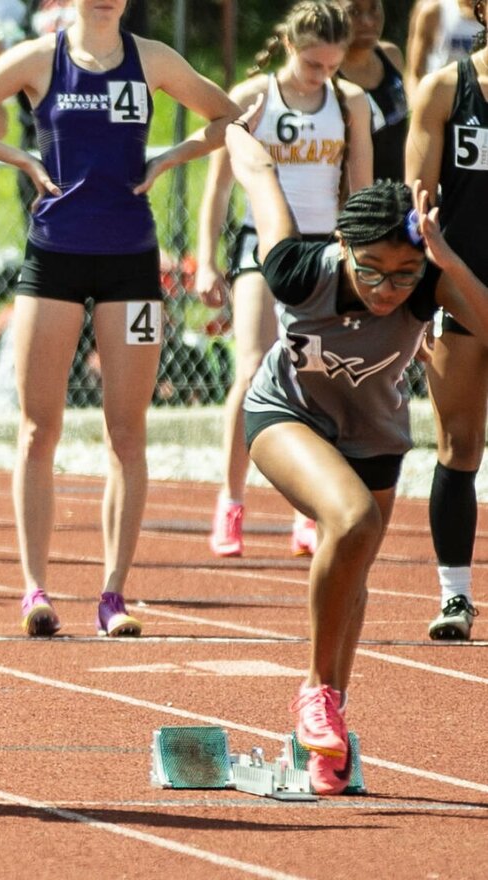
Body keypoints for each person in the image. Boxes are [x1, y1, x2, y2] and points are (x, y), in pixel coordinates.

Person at [0, 0, 238, 637]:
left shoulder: (151, 59)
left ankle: (113, 595)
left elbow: (230, 118)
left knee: (127, 433)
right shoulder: (42, 58)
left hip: (130, 264)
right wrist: (19, 158)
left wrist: (170, 157)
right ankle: (34, 589)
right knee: (39, 430)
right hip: (54, 261)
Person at [225, 96, 488, 794]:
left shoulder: (427, 281)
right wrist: (231, 123)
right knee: (350, 520)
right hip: (288, 413)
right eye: (371, 269)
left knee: (353, 575)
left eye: (402, 276)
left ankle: (329, 730)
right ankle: (313, 691)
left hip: (373, 433)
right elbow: (260, 175)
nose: (386, 289)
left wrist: (443, 258)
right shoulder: (298, 268)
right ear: (343, 247)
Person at [197, 1, 372, 560]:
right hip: (262, 245)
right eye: (312, 65)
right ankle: (231, 499)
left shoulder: (351, 104)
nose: (322, 75)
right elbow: (218, 187)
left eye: (331, 66)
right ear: (291, 47)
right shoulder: (254, 96)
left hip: (325, 249)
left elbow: (360, 187)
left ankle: (309, 508)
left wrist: (359, 258)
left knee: (319, 377)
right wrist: (205, 259)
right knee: (250, 368)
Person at [405, 2, 487, 641]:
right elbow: (417, 209)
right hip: (459, 293)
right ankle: (455, 596)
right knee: (459, 445)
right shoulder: (444, 90)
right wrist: (421, 294)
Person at [338, 0, 408, 184]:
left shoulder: (391, 56)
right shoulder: (328, 71)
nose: (368, 21)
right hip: (354, 198)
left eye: (374, 9)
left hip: (398, 193)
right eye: (353, 12)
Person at [406, 0, 482, 95]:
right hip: (441, 98)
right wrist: (415, 104)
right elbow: (416, 72)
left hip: (481, 99)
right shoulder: (435, 10)